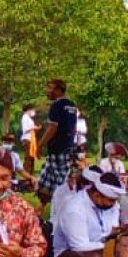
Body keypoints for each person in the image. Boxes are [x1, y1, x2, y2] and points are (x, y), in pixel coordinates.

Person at [53, 171, 124, 257]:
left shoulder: (108, 205)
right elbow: (79, 246)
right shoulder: (75, 209)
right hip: (72, 253)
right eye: (111, 201)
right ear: (96, 196)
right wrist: (110, 247)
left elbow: (107, 232)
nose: (114, 204)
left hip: (101, 247)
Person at [35, 78, 78, 207]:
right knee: (47, 178)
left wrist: (40, 144)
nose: (47, 91)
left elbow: (53, 128)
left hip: (58, 149)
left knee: (60, 180)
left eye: (50, 88)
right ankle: (41, 208)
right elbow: (73, 128)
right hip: (68, 147)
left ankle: (64, 207)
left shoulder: (56, 105)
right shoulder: (72, 105)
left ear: (59, 90)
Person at [19, 104, 39, 175]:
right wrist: (33, 127)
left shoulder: (29, 118)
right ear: (29, 110)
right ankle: (26, 173)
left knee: (31, 157)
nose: (34, 112)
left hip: (31, 139)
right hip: (27, 139)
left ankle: (30, 174)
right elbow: (25, 129)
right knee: (28, 157)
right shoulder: (25, 117)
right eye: (33, 110)